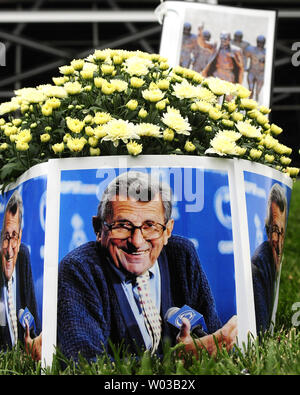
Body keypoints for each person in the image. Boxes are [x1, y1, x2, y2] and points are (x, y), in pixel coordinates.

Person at [57, 171, 237, 362]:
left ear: (167, 231)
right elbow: (84, 364)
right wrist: (177, 360)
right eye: (123, 226)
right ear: (98, 229)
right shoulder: (78, 269)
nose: (136, 241)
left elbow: (211, 339)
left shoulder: (182, 255)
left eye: (150, 226)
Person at [0, 190, 42, 360]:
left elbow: (30, 306)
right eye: (5, 237)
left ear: (20, 237)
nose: (10, 250)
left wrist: (33, 339)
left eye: (14, 237)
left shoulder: (23, 254)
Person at [251, 183, 287, 333]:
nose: (275, 239)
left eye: (280, 232)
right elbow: (262, 332)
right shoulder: (259, 265)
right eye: (272, 230)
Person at [245, 35, 266, 101]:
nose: (260, 44)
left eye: (262, 42)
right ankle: (249, 103)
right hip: (252, 71)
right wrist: (245, 67)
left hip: (261, 73)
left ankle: (256, 104)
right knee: (250, 89)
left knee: (258, 91)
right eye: (259, 42)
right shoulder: (251, 49)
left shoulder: (266, 52)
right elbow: (244, 57)